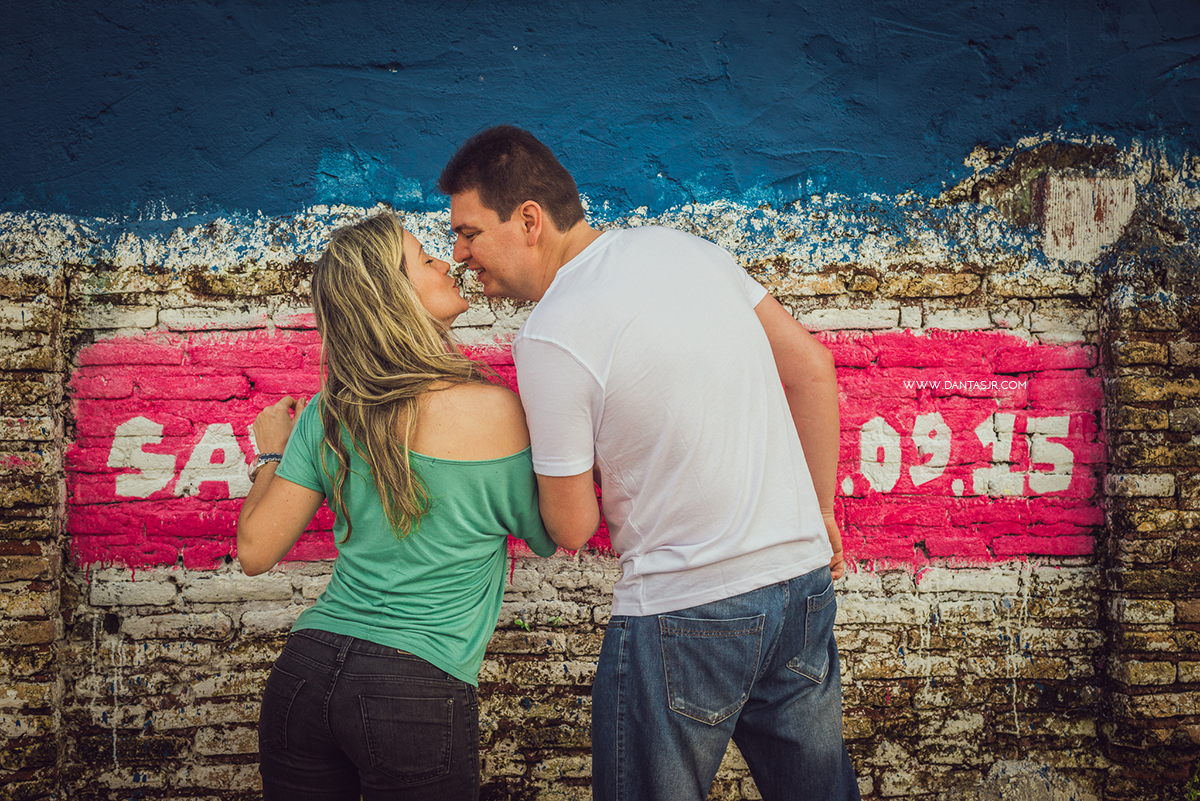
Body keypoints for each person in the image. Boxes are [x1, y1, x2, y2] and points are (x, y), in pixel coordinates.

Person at [439, 126, 860, 801]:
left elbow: (570, 526)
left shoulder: (549, 333)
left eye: (467, 232)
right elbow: (812, 367)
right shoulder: (687, 250)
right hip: (799, 583)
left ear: (528, 220)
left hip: (683, 611)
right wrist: (815, 512)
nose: (458, 255)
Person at [236, 211, 557, 801]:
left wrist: (271, 456)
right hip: (414, 688)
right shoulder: (496, 412)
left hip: (303, 673)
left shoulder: (328, 411)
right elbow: (549, 533)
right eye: (424, 259)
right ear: (392, 298)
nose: (446, 262)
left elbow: (255, 551)